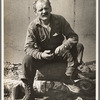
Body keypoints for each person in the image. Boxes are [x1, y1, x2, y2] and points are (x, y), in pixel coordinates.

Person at [21, 0, 84, 99]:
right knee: (27, 60)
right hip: (42, 57)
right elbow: (27, 48)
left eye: (46, 8)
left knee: (79, 47)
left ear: (50, 8)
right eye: (40, 9)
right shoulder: (33, 26)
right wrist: (41, 55)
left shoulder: (59, 20)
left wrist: (63, 46)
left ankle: (68, 77)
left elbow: (73, 37)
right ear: (35, 12)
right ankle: (29, 92)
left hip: (59, 54)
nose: (44, 12)